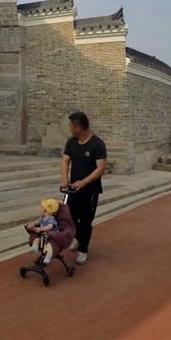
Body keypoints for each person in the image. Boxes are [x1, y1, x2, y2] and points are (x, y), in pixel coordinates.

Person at [61, 111, 107, 265]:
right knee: (69, 218)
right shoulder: (71, 142)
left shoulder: (97, 144)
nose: (69, 129)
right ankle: (78, 238)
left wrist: (84, 182)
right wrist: (64, 179)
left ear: (79, 128)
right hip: (73, 190)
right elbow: (65, 160)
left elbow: (100, 168)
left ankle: (83, 250)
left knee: (85, 221)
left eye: (70, 126)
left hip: (90, 191)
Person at [25, 198, 60, 264]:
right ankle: (34, 248)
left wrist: (41, 229)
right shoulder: (42, 217)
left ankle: (48, 256)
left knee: (49, 246)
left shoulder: (51, 218)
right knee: (36, 239)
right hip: (42, 235)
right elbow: (38, 222)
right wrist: (33, 224)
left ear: (44, 210)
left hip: (50, 235)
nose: (41, 209)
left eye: (42, 207)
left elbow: (50, 226)